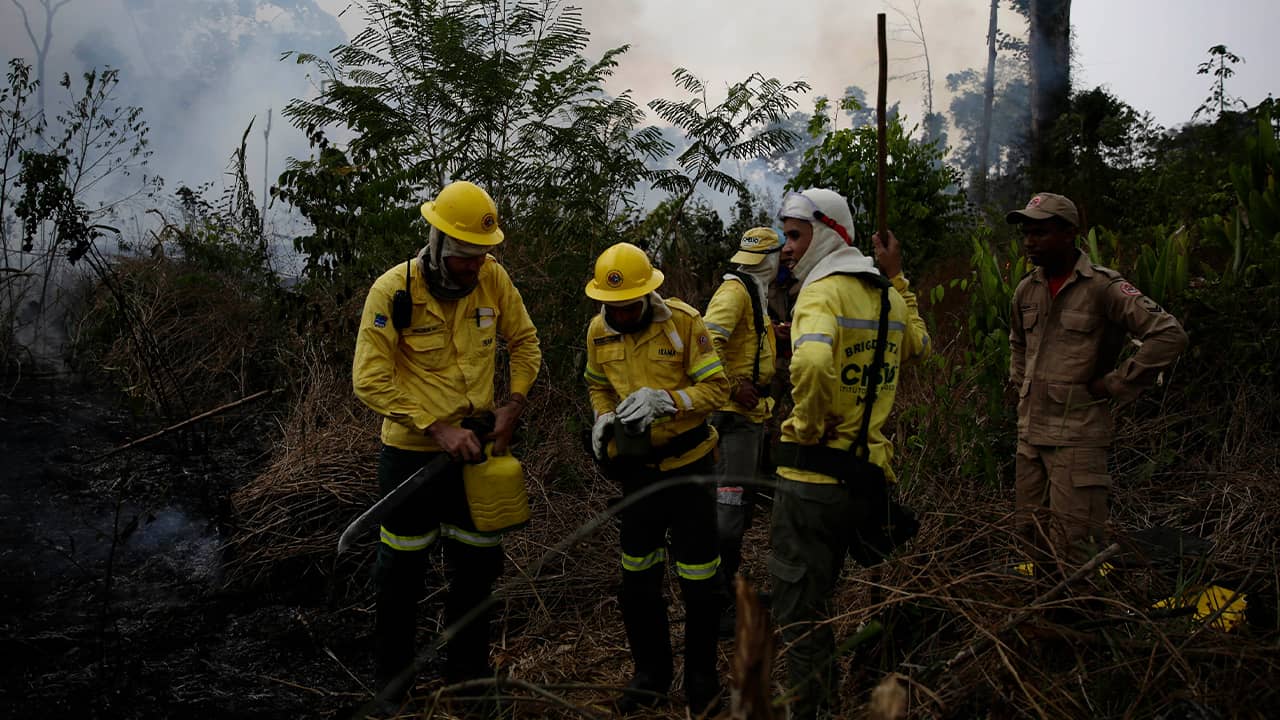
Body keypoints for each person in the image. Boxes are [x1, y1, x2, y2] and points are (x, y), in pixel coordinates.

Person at [352, 180, 541, 703]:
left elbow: (524, 343)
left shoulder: (493, 281)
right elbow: (369, 379)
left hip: (477, 457)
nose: (475, 266)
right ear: (437, 244)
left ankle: (467, 687)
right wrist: (437, 426)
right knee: (400, 577)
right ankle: (393, 688)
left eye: (483, 256)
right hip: (410, 460)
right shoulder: (393, 291)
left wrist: (512, 406)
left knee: (477, 573)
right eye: (464, 257)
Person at [767, 189, 931, 719]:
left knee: (801, 614)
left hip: (811, 481)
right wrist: (899, 276)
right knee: (829, 594)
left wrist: (810, 425)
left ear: (832, 232)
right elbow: (920, 345)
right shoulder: (885, 295)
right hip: (864, 482)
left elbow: (812, 364)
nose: (786, 248)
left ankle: (811, 709)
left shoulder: (820, 293)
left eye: (795, 235)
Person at [582, 242, 730, 716]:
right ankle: (650, 675)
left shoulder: (684, 323)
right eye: (612, 308)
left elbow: (717, 389)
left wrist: (668, 400)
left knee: (699, 576)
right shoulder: (597, 332)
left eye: (628, 307)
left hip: (689, 466)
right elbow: (597, 383)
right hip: (638, 473)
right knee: (638, 579)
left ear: (647, 295)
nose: (620, 316)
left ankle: (702, 676)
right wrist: (603, 416)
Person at [1007, 192, 1188, 570]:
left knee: (1075, 549)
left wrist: (1116, 384)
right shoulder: (1027, 289)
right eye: (1027, 232)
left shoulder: (1103, 287)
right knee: (1030, 541)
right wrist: (1021, 387)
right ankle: (1040, 623)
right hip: (1030, 438)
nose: (1030, 241)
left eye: (1041, 232)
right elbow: (1018, 344)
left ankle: (1079, 622)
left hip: (1077, 440)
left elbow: (1168, 334)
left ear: (1070, 233)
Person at [702, 227, 782, 635]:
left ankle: (730, 591)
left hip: (750, 420)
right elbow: (707, 340)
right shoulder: (735, 293)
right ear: (769, 259)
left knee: (739, 509)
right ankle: (716, 606)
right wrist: (733, 384)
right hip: (732, 419)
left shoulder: (754, 291)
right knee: (728, 513)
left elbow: (743, 340)